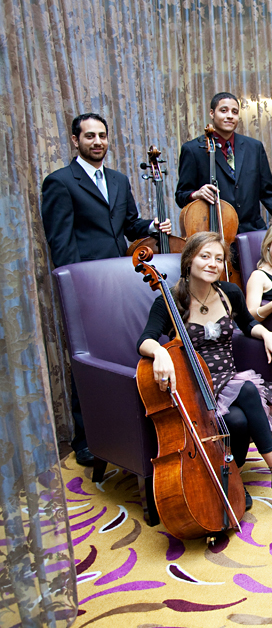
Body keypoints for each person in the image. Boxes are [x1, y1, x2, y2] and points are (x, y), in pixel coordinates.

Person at [137, 231, 272, 506]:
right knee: (249, 389)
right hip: (196, 386)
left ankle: (233, 478)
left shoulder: (229, 293)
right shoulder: (170, 300)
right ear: (189, 260)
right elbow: (145, 339)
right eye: (204, 256)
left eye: (219, 259)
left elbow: (248, 324)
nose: (212, 264)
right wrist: (159, 351)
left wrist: (266, 335)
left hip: (229, 380)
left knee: (239, 420)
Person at [41, 112, 172, 466]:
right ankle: (86, 438)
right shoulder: (60, 182)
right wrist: (77, 288)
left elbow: (130, 225)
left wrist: (150, 224)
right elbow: (61, 243)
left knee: (119, 354)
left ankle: (124, 431)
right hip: (86, 286)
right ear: (75, 140)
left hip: (120, 280)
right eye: (89, 136)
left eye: (102, 135)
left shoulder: (117, 179)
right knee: (89, 361)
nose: (97, 141)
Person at [175, 92, 272, 250]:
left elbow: (269, 193)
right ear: (212, 113)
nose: (230, 116)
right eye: (224, 110)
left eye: (234, 112)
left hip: (253, 234)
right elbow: (181, 195)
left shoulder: (254, 147)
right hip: (216, 236)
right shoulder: (193, 149)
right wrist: (196, 194)